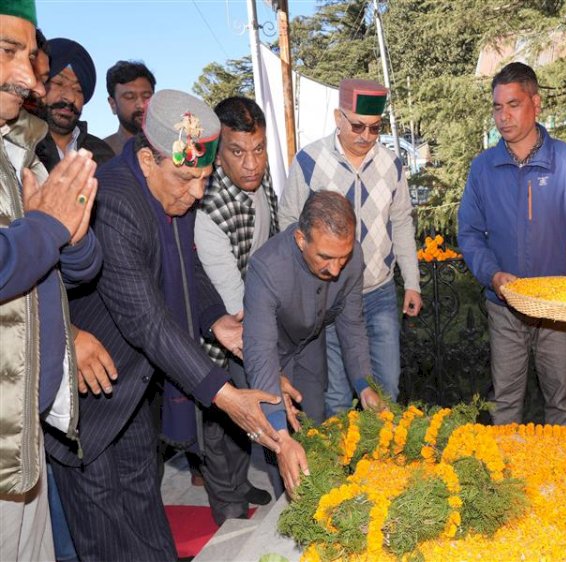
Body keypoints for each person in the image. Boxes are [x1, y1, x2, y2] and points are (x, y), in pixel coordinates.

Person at [43, 89, 284, 561]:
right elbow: (146, 319)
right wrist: (226, 395)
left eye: (205, 177)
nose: (197, 193)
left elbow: (185, 266)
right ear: (149, 160)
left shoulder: (168, 190)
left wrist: (218, 322)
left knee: (149, 525)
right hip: (85, 410)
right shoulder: (112, 201)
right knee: (107, 541)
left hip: (128, 392)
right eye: (185, 178)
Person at [457, 62, 566, 426]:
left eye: (513, 105)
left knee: (561, 404)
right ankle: (504, 482)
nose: (503, 116)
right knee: (505, 404)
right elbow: (468, 233)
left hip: (560, 310)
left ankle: (559, 481)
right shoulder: (483, 168)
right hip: (504, 304)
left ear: (536, 103)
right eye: (497, 107)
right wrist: (493, 275)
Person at [1, 2, 101, 559]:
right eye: (6, 52)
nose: (27, 76)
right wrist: (47, 227)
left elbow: (81, 268)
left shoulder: (23, 147)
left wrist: (73, 232)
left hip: (29, 424)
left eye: (29, 57)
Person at [278, 78, 421, 418]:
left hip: (379, 293)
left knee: (387, 390)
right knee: (337, 396)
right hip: (327, 295)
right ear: (337, 117)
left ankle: (386, 467)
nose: (366, 136)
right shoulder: (309, 161)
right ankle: (344, 468)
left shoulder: (392, 164)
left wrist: (412, 282)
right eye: (357, 125)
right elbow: (288, 222)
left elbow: (401, 222)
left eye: (375, 128)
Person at [245, 191, 383, 492]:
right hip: (267, 355)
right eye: (325, 258)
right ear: (299, 239)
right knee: (282, 444)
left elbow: (352, 324)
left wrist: (364, 386)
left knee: (317, 427)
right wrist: (280, 435)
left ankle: (323, 507)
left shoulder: (352, 256)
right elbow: (260, 349)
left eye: (343, 258)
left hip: (307, 346)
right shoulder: (266, 267)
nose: (335, 271)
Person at [194, 96, 281, 523]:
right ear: (217, 151)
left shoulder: (260, 181)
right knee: (222, 423)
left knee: (246, 425)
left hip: (256, 316)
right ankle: (227, 514)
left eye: (259, 149)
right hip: (220, 335)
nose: (251, 164)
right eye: (237, 152)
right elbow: (233, 305)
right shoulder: (208, 210)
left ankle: (242, 483)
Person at [35, 37, 114, 170]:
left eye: (78, 90)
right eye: (59, 83)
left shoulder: (102, 155)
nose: (70, 97)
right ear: (39, 85)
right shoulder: (20, 146)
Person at [103, 60, 155, 154]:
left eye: (147, 96)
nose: (141, 105)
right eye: (130, 97)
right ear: (113, 104)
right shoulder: (100, 154)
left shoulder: (172, 150)